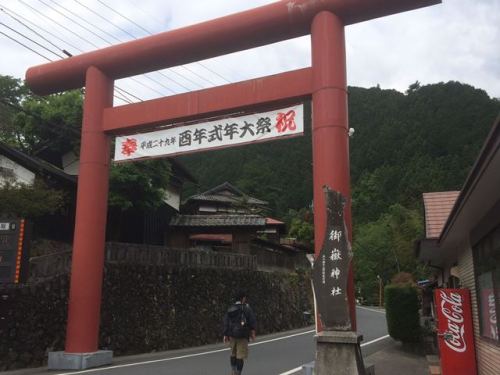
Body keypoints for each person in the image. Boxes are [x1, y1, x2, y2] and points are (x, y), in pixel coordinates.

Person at [223, 290, 256, 375]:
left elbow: (226, 322)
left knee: (233, 354)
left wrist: (225, 334)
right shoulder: (247, 308)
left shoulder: (230, 308)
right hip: (243, 335)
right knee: (240, 356)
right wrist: (252, 333)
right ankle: (238, 373)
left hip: (232, 335)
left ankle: (233, 371)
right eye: (244, 297)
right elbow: (252, 321)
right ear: (243, 298)